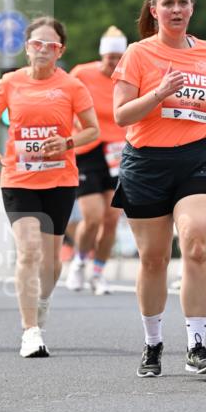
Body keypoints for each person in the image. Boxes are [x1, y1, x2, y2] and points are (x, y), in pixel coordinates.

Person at [111, 0, 206, 377]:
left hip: (197, 158)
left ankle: (197, 346)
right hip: (146, 164)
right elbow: (121, 115)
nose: (176, 9)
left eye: (183, 2)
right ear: (154, 10)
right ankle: (152, 343)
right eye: (168, 3)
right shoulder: (138, 54)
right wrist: (159, 93)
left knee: (196, 242)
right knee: (154, 259)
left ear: (192, 8)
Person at [0, 17, 99, 357]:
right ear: (26, 47)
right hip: (18, 178)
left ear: (60, 51)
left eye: (51, 45)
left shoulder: (72, 86)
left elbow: (93, 129)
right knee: (29, 250)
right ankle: (30, 331)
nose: (43, 50)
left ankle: (43, 300)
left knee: (51, 261)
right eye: (37, 43)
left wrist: (67, 142)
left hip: (59, 180)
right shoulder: (10, 82)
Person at [66, 26, 128, 295]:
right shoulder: (82, 73)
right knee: (92, 217)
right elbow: (63, 101)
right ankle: (79, 261)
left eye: (119, 58)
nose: (114, 63)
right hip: (87, 150)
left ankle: (99, 272)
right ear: (102, 55)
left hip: (117, 151)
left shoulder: (128, 78)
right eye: (110, 58)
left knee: (112, 218)